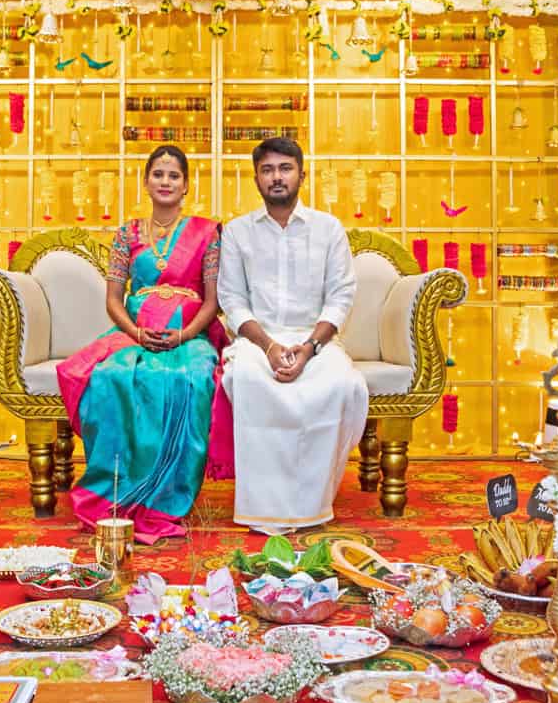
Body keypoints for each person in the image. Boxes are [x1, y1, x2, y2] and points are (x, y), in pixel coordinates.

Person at [56, 146, 230, 544]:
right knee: (112, 375)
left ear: (187, 184)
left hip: (190, 334)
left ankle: (166, 498)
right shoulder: (127, 234)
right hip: (135, 331)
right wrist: (135, 333)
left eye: (174, 175)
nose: (166, 182)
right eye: (158, 174)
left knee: (193, 377)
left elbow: (213, 299)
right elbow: (114, 300)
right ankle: (115, 489)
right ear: (147, 181)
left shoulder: (207, 233)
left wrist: (186, 335)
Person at [217, 137, 368, 534]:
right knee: (247, 379)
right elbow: (232, 299)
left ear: (302, 174)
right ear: (256, 179)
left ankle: (311, 504)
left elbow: (340, 296)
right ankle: (262, 510)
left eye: (285, 168)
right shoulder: (237, 232)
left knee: (337, 382)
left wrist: (310, 348)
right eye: (267, 170)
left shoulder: (328, 229)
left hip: (316, 341)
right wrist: (268, 347)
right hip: (256, 342)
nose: (277, 177)